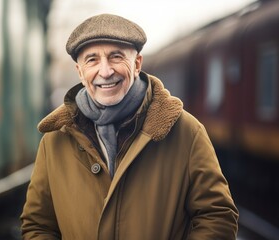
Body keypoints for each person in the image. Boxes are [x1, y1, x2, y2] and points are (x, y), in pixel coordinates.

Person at [20, 13, 239, 240]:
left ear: (136, 64)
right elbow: (37, 225)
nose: (105, 72)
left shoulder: (186, 131)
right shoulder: (55, 139)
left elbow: (218, 216)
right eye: (92, 60)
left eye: (116, 57)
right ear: (80, 72)